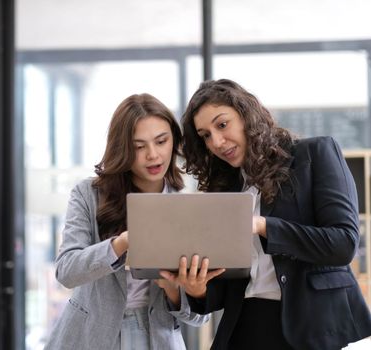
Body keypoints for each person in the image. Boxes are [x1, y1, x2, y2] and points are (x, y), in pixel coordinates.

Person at [161, 79, 371, 350]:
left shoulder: (314, 154)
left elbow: (343, 243)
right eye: (205, 135)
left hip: (308, 328)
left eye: (222, 125)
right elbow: (225, 289)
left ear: (247, 116)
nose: (216, 141)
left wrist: (263, 226)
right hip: (244, 327)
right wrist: (196, 288)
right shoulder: (226, 189)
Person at [44, 93, 215, 350]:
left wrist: (174, 290)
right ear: (122, 148)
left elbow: (200, 317)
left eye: (161, 141)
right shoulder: (88, 195)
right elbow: (67, 271)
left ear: (174, 141)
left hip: (158, 338)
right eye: (139, 146)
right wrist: (121, 243)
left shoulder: (187, 208)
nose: (153, 155)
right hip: (91, 337)